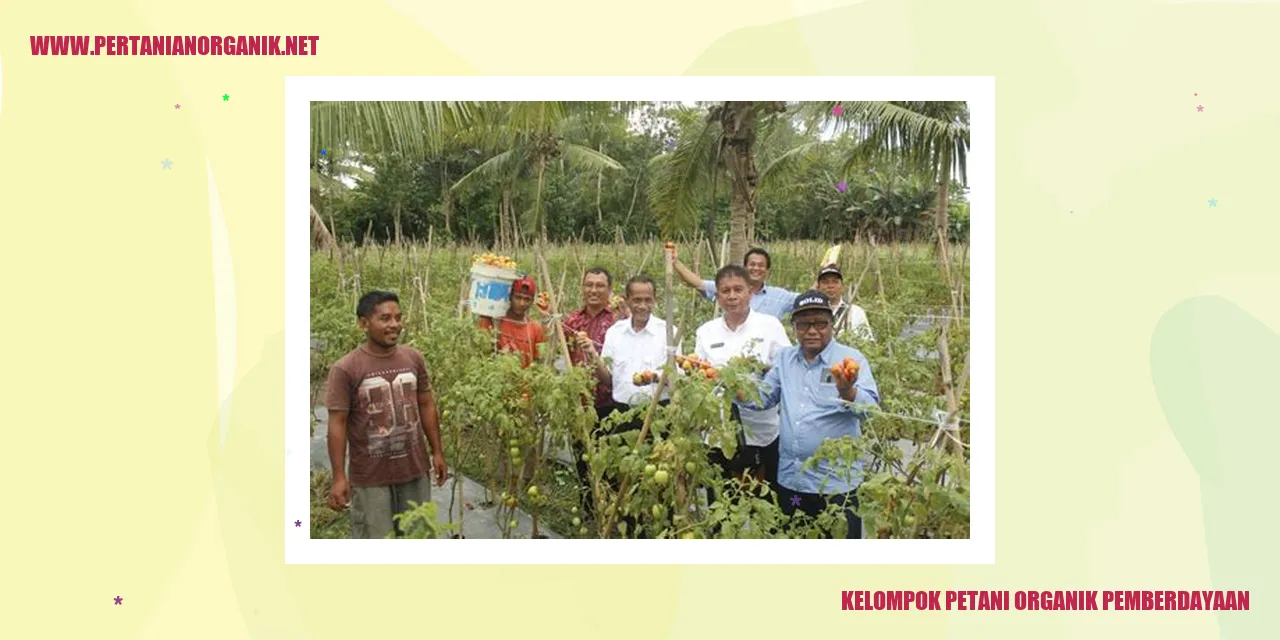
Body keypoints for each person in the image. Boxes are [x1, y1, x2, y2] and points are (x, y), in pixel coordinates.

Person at [736, 290, 880, 539]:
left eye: (820, 323)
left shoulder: (851, 360)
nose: (812, 330)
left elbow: (871, 412)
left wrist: (848, 391)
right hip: (792, 481)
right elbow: (762, 398)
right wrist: (734, 388)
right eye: (803, 324)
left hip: (835, 486)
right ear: (794, 327)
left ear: (831, 324)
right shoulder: (785, 359)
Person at [324, 290, 448, 539]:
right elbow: (337, 423)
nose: (394, 325)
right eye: (385, 318)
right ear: (363, 323)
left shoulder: (413, 358)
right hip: (371, 477)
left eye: (398, 318)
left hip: (413, 470)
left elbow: (426, 403)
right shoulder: (346, 368)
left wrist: (436, 451)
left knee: (419, 538)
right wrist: (339, 476)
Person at [694, 265, 792, 490]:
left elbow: (784, 370)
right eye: (725, 291)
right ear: (717, 296)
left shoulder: (770, 326)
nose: (732, 296)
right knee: (722, 501)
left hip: (762, 430)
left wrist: (758, 372)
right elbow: (700, 374)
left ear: (750, 292)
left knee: (765, 502)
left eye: (738, 289)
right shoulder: (706, 332)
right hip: (718, 434)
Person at [563, 267, 620, 518]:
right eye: (589, 285)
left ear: (609, 290)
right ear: (582, 288)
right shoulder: (571, 321)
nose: (594, 290)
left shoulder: (619, 321)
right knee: (582, 457)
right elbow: (557, 351)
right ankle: (588, 507)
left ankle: (611, 508)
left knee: (609, 458)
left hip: (610, 400)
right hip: (580, 401)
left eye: (599, 285)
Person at [667, 244, 800, 319]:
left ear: (767, 271)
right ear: (744, 267)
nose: (756, 268)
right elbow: (697, 283)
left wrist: (821, 280)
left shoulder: (780, 296)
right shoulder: (729, 289)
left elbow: (808, 299)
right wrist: (675, 262)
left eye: (761, 265)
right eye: (752, 264)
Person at [477, 275, 547, 367]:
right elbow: (480, 352)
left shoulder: (535, 328)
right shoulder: (494, 321)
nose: (522, 303)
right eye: (518, 297)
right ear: (510, 296)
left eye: (527, 299)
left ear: (532, 301)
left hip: (524, 379)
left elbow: (539, 360)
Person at [816, 264, 874, 341]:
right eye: (825, 282)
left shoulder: (856, 312)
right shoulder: (811, 312)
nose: (830, 286)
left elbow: (868, 343)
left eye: (835, 282)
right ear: (818, 287)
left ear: (843, 287)